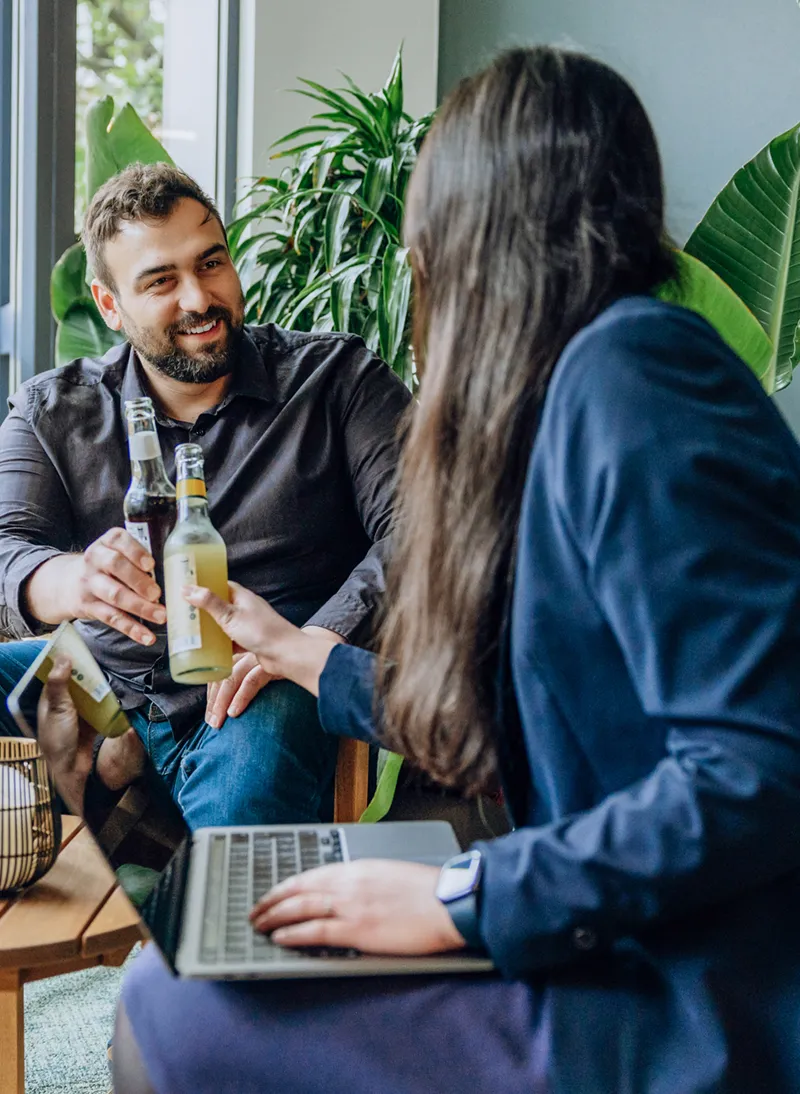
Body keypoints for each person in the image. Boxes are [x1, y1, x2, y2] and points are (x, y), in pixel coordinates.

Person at [37, 46, 800, 1093]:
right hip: (617, 926)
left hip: (695, 993)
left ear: (483, 225)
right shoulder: (586, 384)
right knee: (195, 972)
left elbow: (757, 770)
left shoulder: (633, 375)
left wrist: (465, 895)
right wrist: (307, 654)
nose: (412, 251)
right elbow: (540, 704)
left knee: (176, 1011)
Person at [0, 162, 411, 829]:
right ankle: (113, 764)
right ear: (109, 306)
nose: (198, 298)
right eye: (162, 280)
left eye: (211, 263)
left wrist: (307, 644)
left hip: (260, 684)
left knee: (225, 859)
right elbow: (5, 546)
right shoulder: (53, 410)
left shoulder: (337, 379)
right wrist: (67, 579)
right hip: (102, 684)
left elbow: (423, 530)